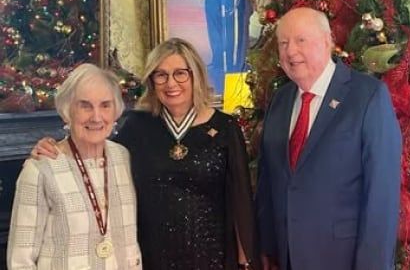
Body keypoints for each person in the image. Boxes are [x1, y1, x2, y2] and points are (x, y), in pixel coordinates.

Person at [32, 38, 258, 270]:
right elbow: (95, 156)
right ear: (152, 81)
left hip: (211, 255)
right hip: (151, 253)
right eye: (160, 75)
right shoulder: (137, 126)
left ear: (195, 76)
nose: (171, 83)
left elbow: (240, 198)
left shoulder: (224, 127)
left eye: (180, 73)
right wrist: (56, 148)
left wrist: (245, 260)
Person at [256, 7, 402, 270]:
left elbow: (381, 196)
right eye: (283, 43)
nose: (290, 52)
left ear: (327, 41)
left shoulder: (367, 96)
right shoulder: (279, 101)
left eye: (301, 40)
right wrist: (266, 249)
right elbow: (268, 183)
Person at [8, 64, 142, 269]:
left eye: (105, 105)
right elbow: (20, 261)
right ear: (66, 111)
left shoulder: (124, 157)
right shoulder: (40, 169)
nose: (96, 117)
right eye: (85, 105)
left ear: (116, 110)